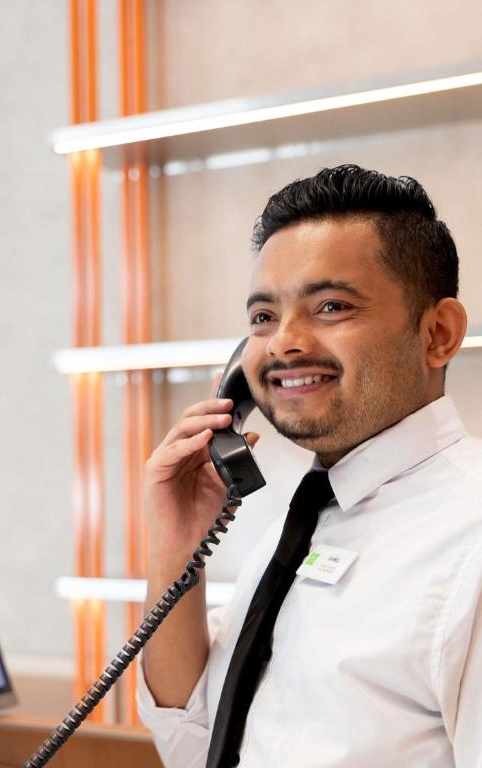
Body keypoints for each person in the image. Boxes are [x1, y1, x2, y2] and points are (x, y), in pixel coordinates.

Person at [137, 165, 480, 767]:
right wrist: (176, 547)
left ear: (438, 334)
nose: (283, 343)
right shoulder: (303, 521)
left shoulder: (469, 541)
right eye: (263, 317)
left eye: (330, 306)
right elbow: (195, 741)